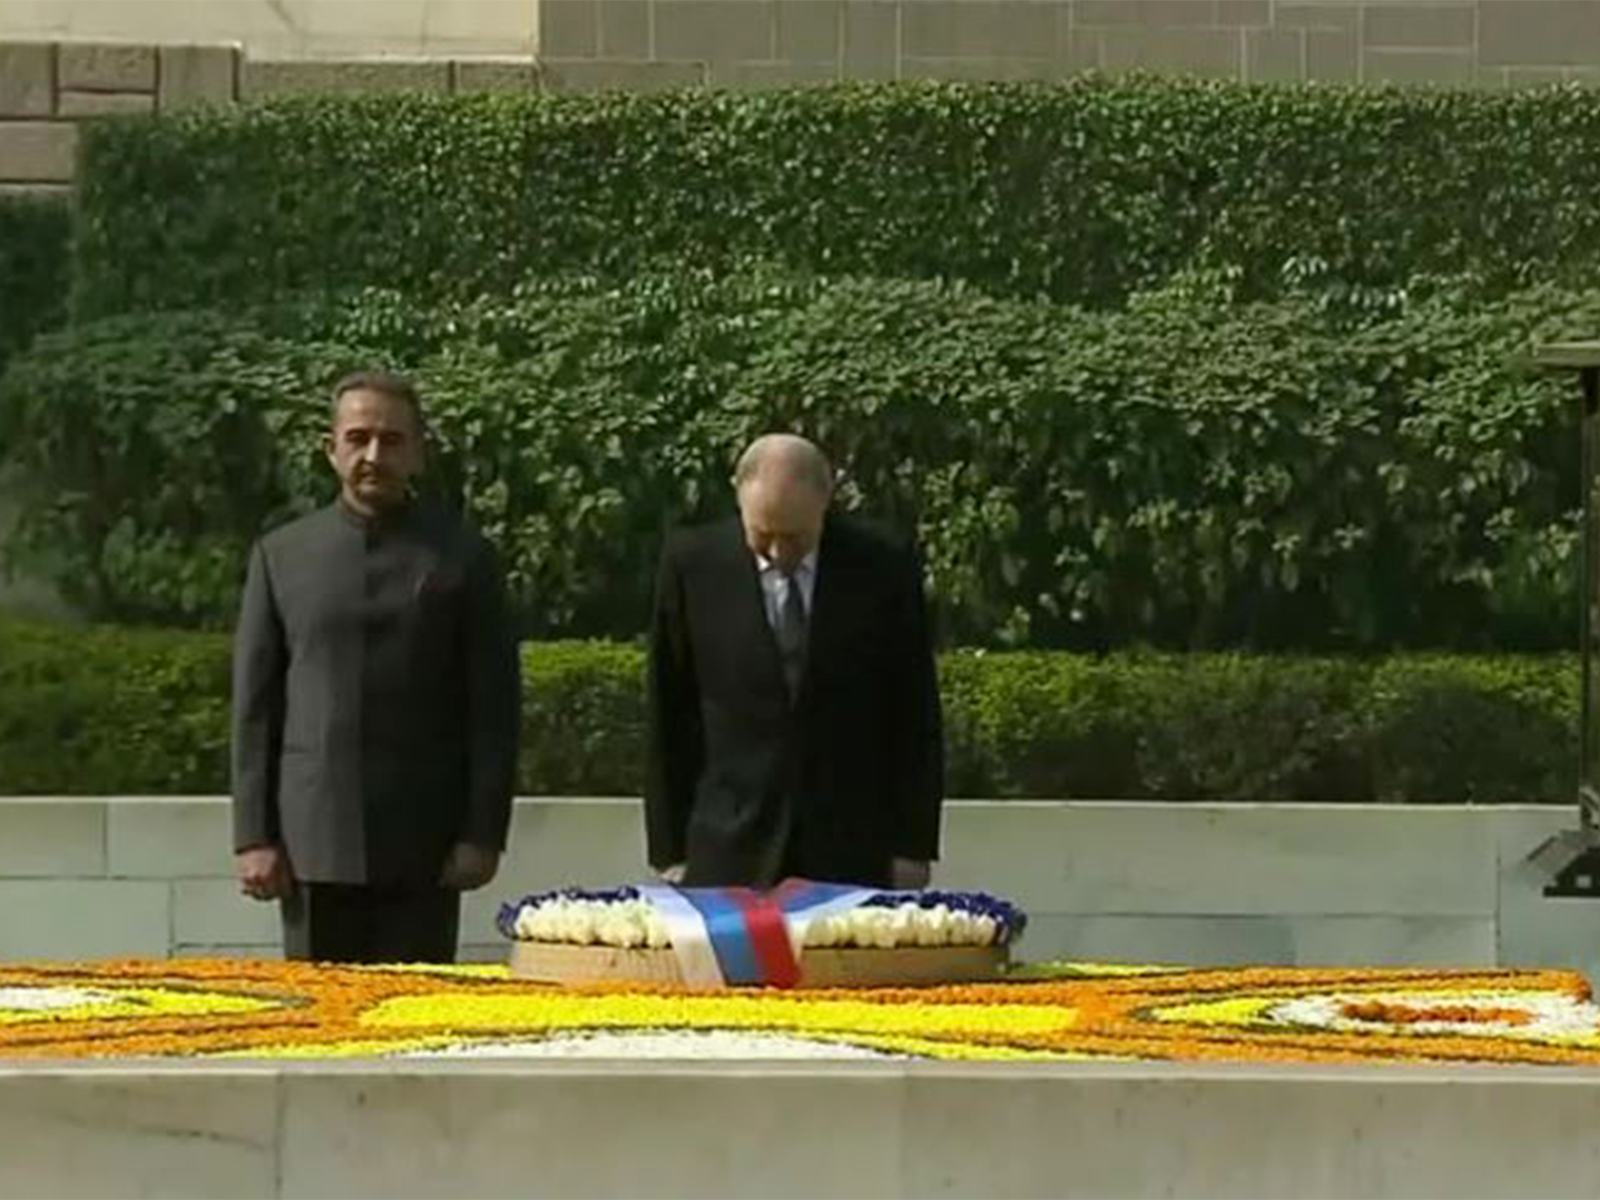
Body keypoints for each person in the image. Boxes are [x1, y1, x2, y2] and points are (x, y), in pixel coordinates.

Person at [230, 370, 521, 963]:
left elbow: (494, 708)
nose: (373, 455)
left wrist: (482, 834)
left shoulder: (464, 557)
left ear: (417, 451)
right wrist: (254, 836)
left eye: (391, 441)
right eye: (358, 437)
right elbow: (255, 710)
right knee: (319, 1034)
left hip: (426, 849)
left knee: (415, 1028)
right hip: (313, 845)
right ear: (330, 448)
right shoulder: (281, 556)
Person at [645, 432, 944, 890]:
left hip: (851, 845)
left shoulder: (882, 566)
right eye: (763, 535)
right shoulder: (692, 565)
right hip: (728, 842)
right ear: (738, 496)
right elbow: (670, 708)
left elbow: (914, 709)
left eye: (796, 537)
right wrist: (669, 850)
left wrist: (912, 845)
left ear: (826, 500)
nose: (780, 553)